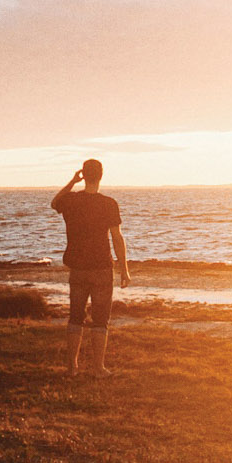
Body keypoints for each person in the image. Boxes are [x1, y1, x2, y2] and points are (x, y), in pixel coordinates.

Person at [50, 159, 129, 376]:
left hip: (78, 267)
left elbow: (54, 202)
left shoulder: (71, 201)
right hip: (102, 267)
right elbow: (117, 237)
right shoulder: (109, 203)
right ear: (101, 175)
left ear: (84, 175)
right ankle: (98, 367)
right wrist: (124, 269)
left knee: (75, 317)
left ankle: (72, 367)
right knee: (100, 320)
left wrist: (72, 182)